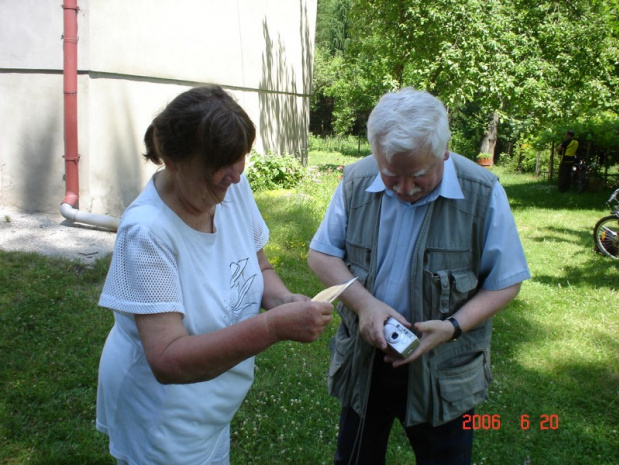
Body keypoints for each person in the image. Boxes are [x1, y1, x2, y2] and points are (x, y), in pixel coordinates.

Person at [96, 85, 333, 465]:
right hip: (162, 423)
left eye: (239, 162)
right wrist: (273, 327)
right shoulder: (147, 232)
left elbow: (258, 266)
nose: (234, 178)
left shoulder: (229, 187)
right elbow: (167, 359)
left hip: (210, 409)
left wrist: (282, 299)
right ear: (173, 160)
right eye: (221, 169)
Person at [307, 87, 530, 465]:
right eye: (391, 174)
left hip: (443, 370)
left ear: (444, 151)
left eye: (420, 175)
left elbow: (506, 281)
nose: (405, 188)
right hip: (367, 361)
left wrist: (453, 327)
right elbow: (321, 254)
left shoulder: (482, 192)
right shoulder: (356, 180)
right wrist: (366, 306)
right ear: (376, 155)